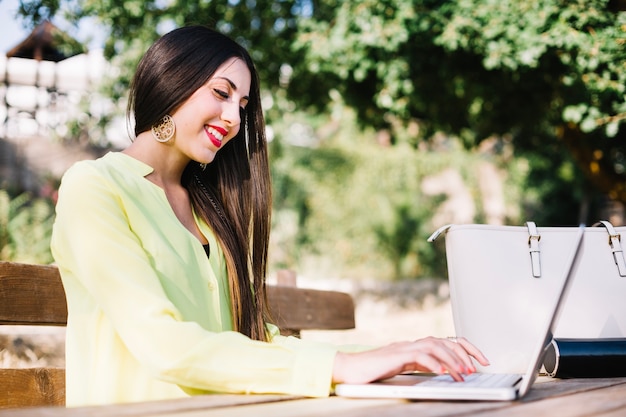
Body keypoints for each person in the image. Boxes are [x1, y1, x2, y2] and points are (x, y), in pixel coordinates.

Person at [51, 25, 489, 407]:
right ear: (171, 82)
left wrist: (398, 352)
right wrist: (345, 366)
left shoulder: (209, 209)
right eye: (221, 93)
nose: (232, 118)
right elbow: (165, 346)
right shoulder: (94, 187)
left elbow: (256, 341)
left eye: (241, 106)